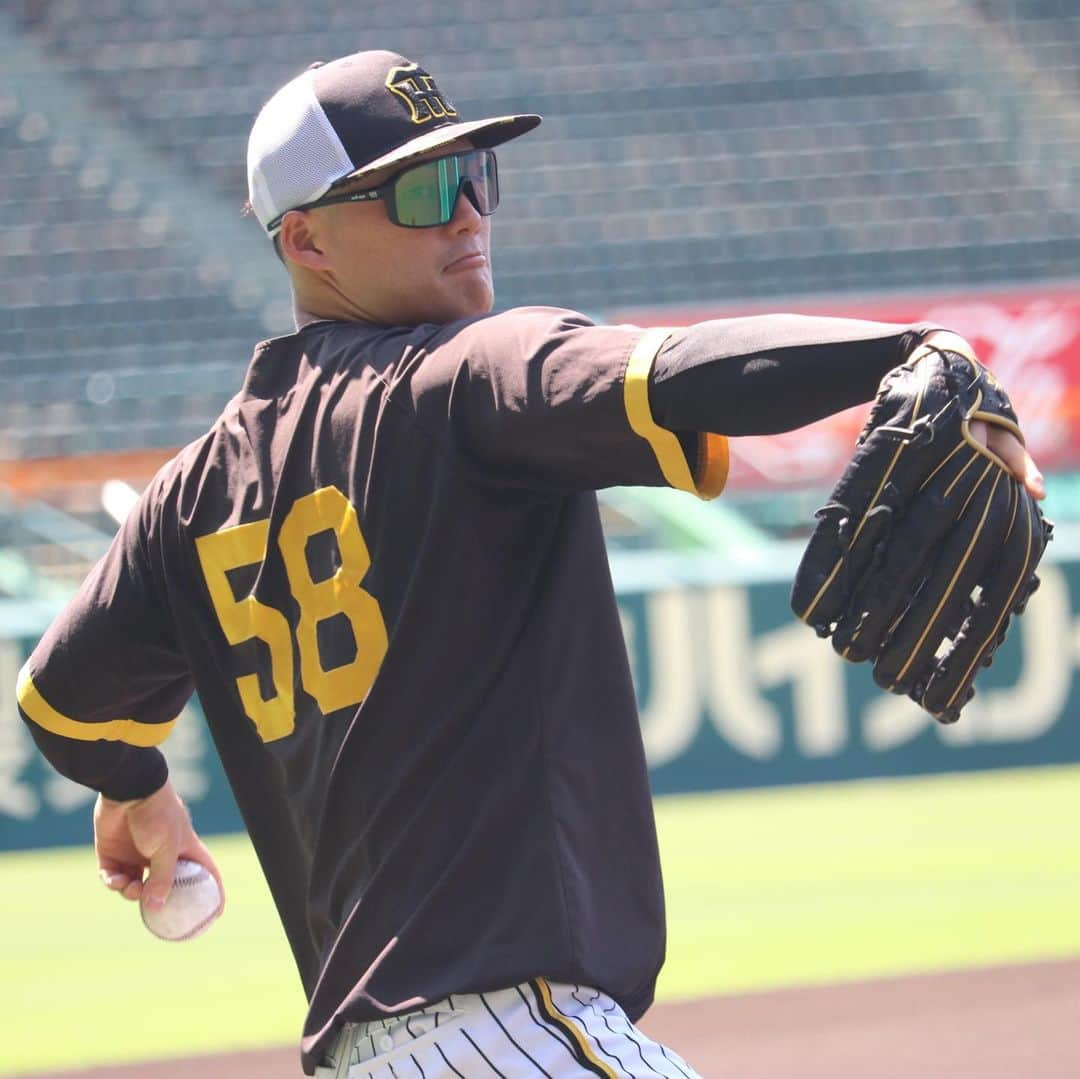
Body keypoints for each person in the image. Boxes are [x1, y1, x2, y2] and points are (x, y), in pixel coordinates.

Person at [17, 49, 1044, 1078]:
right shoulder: (464, 378)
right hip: (513, 1036)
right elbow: (678, 373)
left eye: (477, 177)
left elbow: (63, 704)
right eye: (418, 189)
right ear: (306, 240)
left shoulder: (189, 496)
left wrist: (137, 783)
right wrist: (907, 350)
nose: (467, 212)